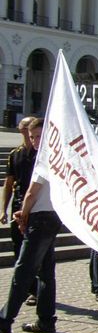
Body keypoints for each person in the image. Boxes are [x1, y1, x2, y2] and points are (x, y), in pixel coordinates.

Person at [0, 118, 63, 333]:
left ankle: (4, 322)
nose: (35, 141)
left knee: (23, 271)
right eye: (33, 136)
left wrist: (23, 213)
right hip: (52, 217)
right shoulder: (58, 157)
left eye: (39, 136)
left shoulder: (45, 158)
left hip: (41, 218)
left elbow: (31, 192)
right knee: (46, 272)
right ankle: (46, 320)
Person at [1, 116, 38, 305]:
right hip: (18, 207)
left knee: (34, 252)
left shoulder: (42, 155)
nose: (25, 129)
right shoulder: (15, 154)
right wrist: (3, 209)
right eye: (24, 127)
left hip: (37, 209)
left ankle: (35, 289)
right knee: (18, 249)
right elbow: (8, 184)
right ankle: (28, 288)